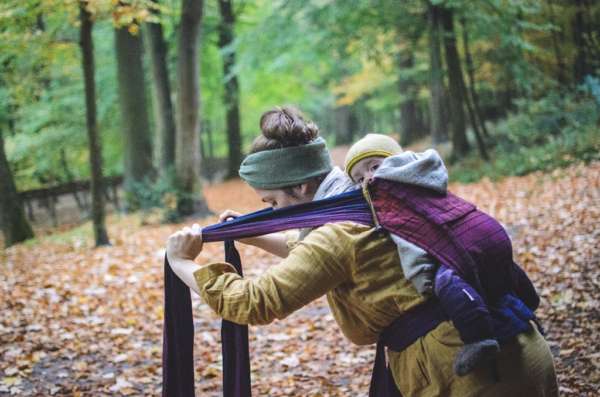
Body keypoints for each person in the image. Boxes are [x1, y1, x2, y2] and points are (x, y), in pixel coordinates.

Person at [166, 106, 558, 396]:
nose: (271, 213)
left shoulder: (338, 232)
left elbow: (255, 302)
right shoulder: (370, 194)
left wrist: (184, 263)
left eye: (271, 203)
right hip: (519, 349)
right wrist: (254, 235)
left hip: (469, 377)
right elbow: (328, 258)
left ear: (301, 188)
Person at [344, 133, 501, 376]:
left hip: (454, 244)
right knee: (506, 277)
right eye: (359, 178)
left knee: (447, 283)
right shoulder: (423, 175)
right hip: (482, 230)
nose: (369, 178)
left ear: (398, 161)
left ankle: (479, 338)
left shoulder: (396, 192)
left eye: (375, 166)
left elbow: (412, 246)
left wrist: (423, 279)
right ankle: (528, 313)